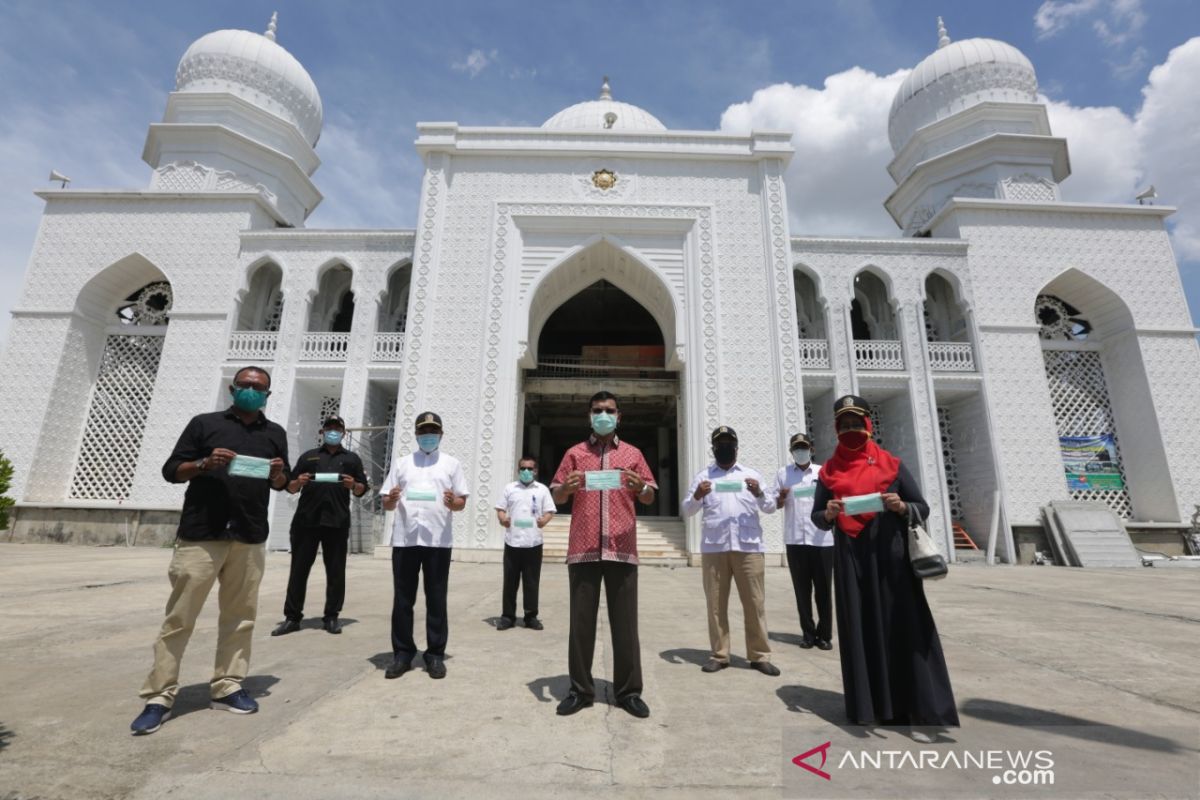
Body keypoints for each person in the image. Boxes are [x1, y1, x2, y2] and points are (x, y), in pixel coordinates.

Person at [130, 366, 289, 735]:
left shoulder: (274, 433)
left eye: (258, 387)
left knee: (240, 616)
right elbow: (172, 470)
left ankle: (228, 685)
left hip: (248, 536)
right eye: (245, 385)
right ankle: (159, 695)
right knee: (179, 618)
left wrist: (278, 473)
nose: (251, 390)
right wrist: (204, 463)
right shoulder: (204, 424)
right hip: (203, 534)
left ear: (268, 394)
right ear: (233, 388)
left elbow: (281, 483)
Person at [811, 395, 959, 731]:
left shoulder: (892, 464)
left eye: (856, 424)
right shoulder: (828, 472)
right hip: (852, 561)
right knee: (860, 629)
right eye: (844, 425)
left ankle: (916, 706)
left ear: (868, 425)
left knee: (902, 626)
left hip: (892, 561)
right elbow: (817, 517)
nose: (851, 430)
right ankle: (869, 707)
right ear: (836, 429)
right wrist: (829, 513)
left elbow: (921, 507)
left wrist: (901, 507)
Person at [551, 390, 657, 719]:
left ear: (619, 416)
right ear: (589, 415)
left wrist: (641, 487)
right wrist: (565, 489)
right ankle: (580, 690)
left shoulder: (633, 454)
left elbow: (650, 495)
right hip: (583, 549)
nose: (603, 415)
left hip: (621, 550)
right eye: (597, 410)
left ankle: (628, 692)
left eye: (609, 410)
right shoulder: (574, 454)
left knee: (625, 625)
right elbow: (556, 493)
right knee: (580, 625)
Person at [681, 426, 779, 676]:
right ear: (713, 447)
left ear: (736, 446)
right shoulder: (704, 476)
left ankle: (759, 656)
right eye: (719, 443)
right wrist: (697, 496)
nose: (724, 447)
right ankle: (720, 654)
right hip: (715, 549)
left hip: (749, 549)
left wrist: (758, 491)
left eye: (728, 442)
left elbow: (770, 506)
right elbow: (687, 510)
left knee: (754, 603)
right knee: (715, 604)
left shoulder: (751, 474)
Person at [380, 412, 469, 680]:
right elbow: (387, 502)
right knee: (403, 599)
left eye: (433, 430)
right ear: (416, 434)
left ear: (440, 434)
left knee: (436, 599)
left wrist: (453, 502)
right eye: (423, 431)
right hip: (405, 540)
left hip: (438, 541)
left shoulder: (452, 464)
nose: (428, 435)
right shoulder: (402, 463)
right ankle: (403, 653)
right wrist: (392, 499)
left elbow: (461, 503)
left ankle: (435, 654)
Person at [271, 416, 369, 637]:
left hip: (337, 522)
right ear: (323, 431)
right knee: (299, 570)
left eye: (337, 428)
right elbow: (291, 487)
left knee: (335, 571)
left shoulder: (352, 459)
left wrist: (353, 485)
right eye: (329, 428)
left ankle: (332, 616)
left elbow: (362, 489)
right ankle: (292, 617)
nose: (333, 431)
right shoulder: (309, 456)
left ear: (344, 433)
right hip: (306, 522)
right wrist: (298, 482)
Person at [773, 432, 832, 651]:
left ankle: (824, 635)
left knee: (824, 590)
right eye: (796, 448)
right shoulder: (783, 474)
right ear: (791, 451)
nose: (800, 451)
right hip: (795, 540)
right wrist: (780, 498)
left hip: (822, 540)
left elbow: (832, 499)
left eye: (804, 447)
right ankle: (808, 633)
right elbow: (774, 503)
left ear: (812, 450)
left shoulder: (823, 472)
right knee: (802, 590)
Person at [494, 455, 556, 630]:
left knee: (531, 582)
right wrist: (502, 519)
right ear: (518, 470)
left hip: (533, 542)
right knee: (510, 582)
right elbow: (500, 508)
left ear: (535, 471)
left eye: (530, 468)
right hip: (512, 542)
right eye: (523, 468)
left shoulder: (542, 489)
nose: (526, 471)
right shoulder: (510, 488)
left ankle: (531, 617)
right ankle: (507, 617)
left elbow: (550, 510)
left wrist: (545, 520)